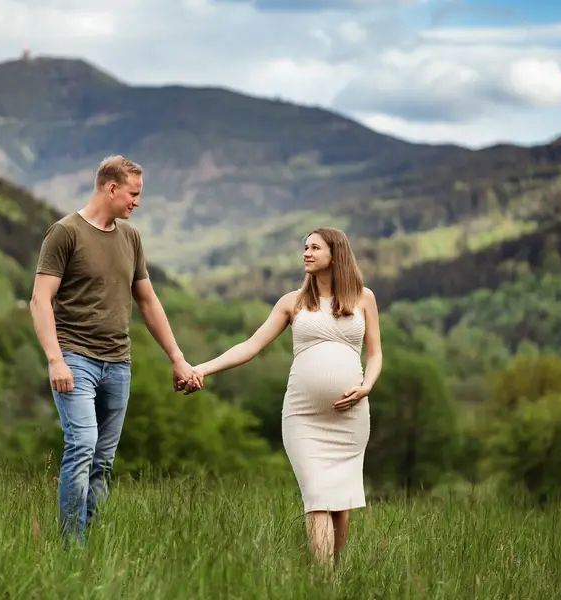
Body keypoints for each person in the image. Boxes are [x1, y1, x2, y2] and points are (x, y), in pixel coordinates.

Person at [183, 227, 382, 567]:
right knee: (317, 497)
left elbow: (376, 354)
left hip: (349, 416)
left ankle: (335, 572)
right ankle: (325, 582)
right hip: (303, 417)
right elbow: (250, 346)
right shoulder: (292, 302)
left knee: (341, 504)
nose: (306, 252)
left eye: (315, 247)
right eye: (305, 247)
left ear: (335, 254)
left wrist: (367, 387)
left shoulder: (364, 298)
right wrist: (201, 368)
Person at [30, 154, 199, 544]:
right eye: (133, 194)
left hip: (119, 364)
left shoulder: (131, 237)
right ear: (111, 188)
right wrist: (55, 360)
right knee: (83, 446)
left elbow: (149, 302)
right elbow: (40, 300)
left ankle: (87, 544)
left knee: (103, 463)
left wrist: (177, 358)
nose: (137, 202)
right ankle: (70, 547)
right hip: (75, 359)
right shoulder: (65, 233)